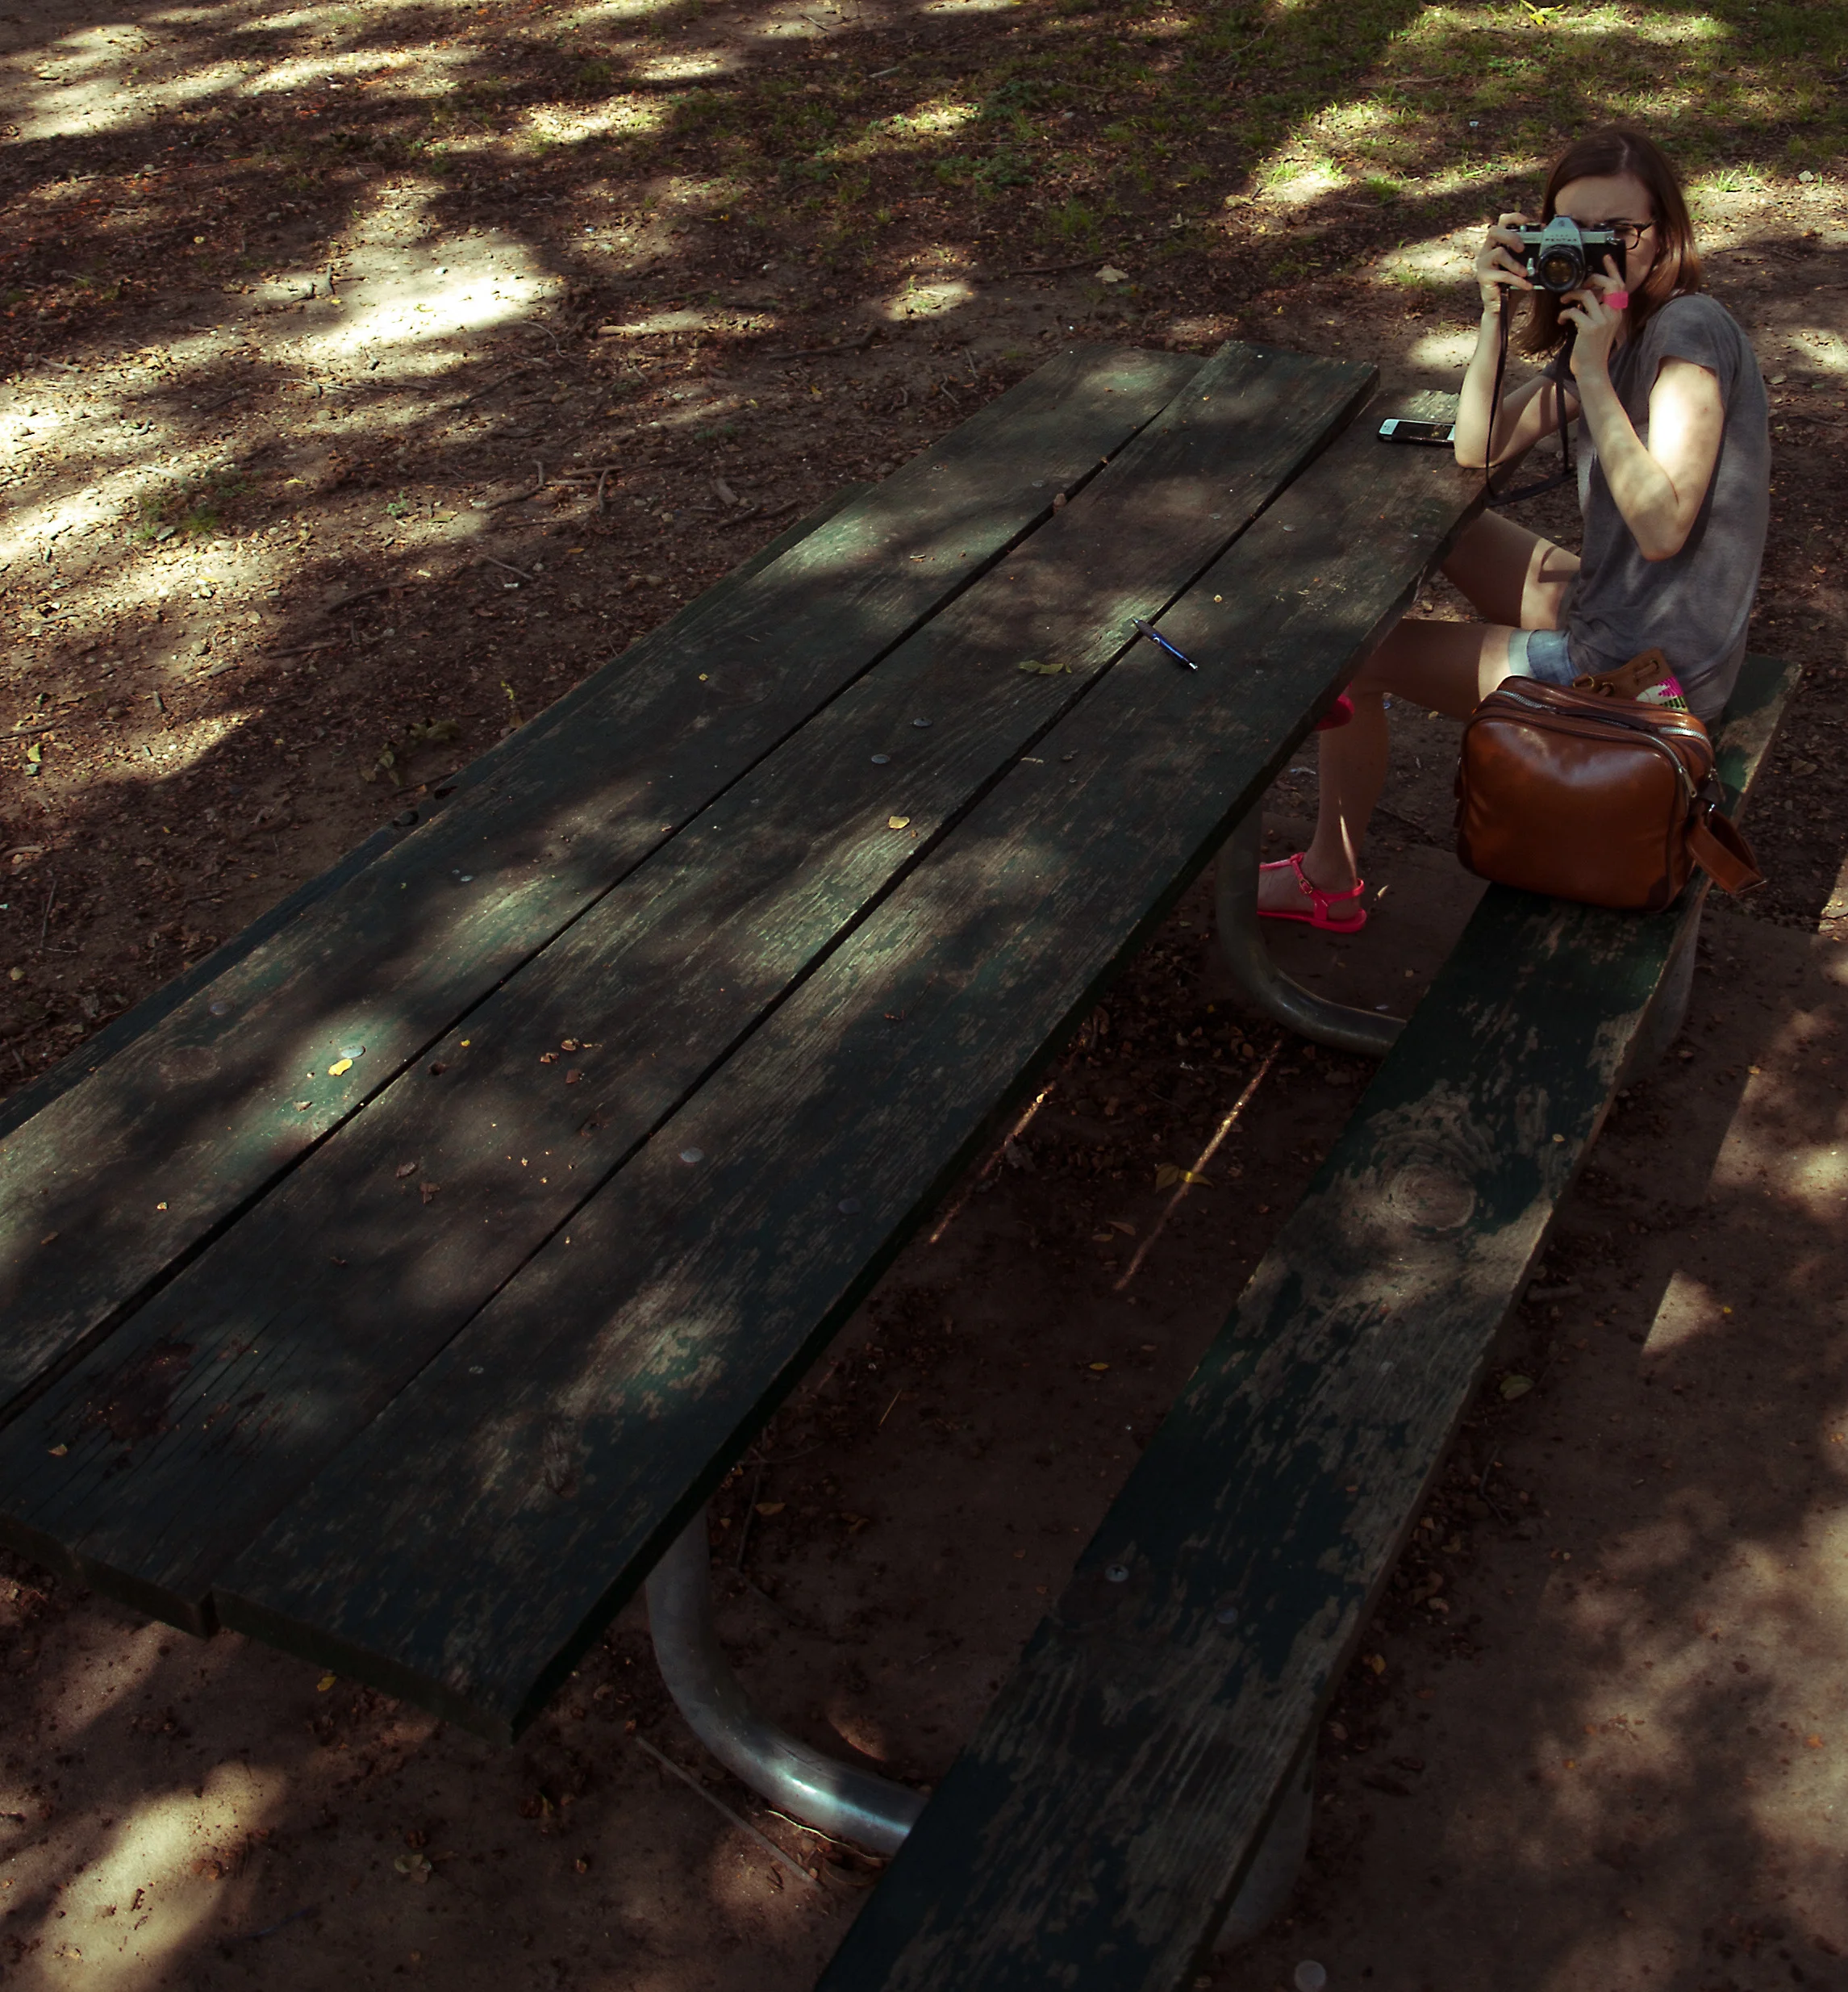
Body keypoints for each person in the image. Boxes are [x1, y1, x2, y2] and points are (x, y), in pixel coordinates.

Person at [1258, 125, 1770, 933]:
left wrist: (1594, 379)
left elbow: (1663, 526)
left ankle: (1329, 881)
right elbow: (1477, 448)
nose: (1601, 256)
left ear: (1663, 235)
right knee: (1448, 527)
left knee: (1347, 664)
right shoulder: (1619, 329)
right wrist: (1493, 316)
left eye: (1621, 234)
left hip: (1643, 677)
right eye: (1576, 234)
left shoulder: (1685, 332)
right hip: (1632, 615)